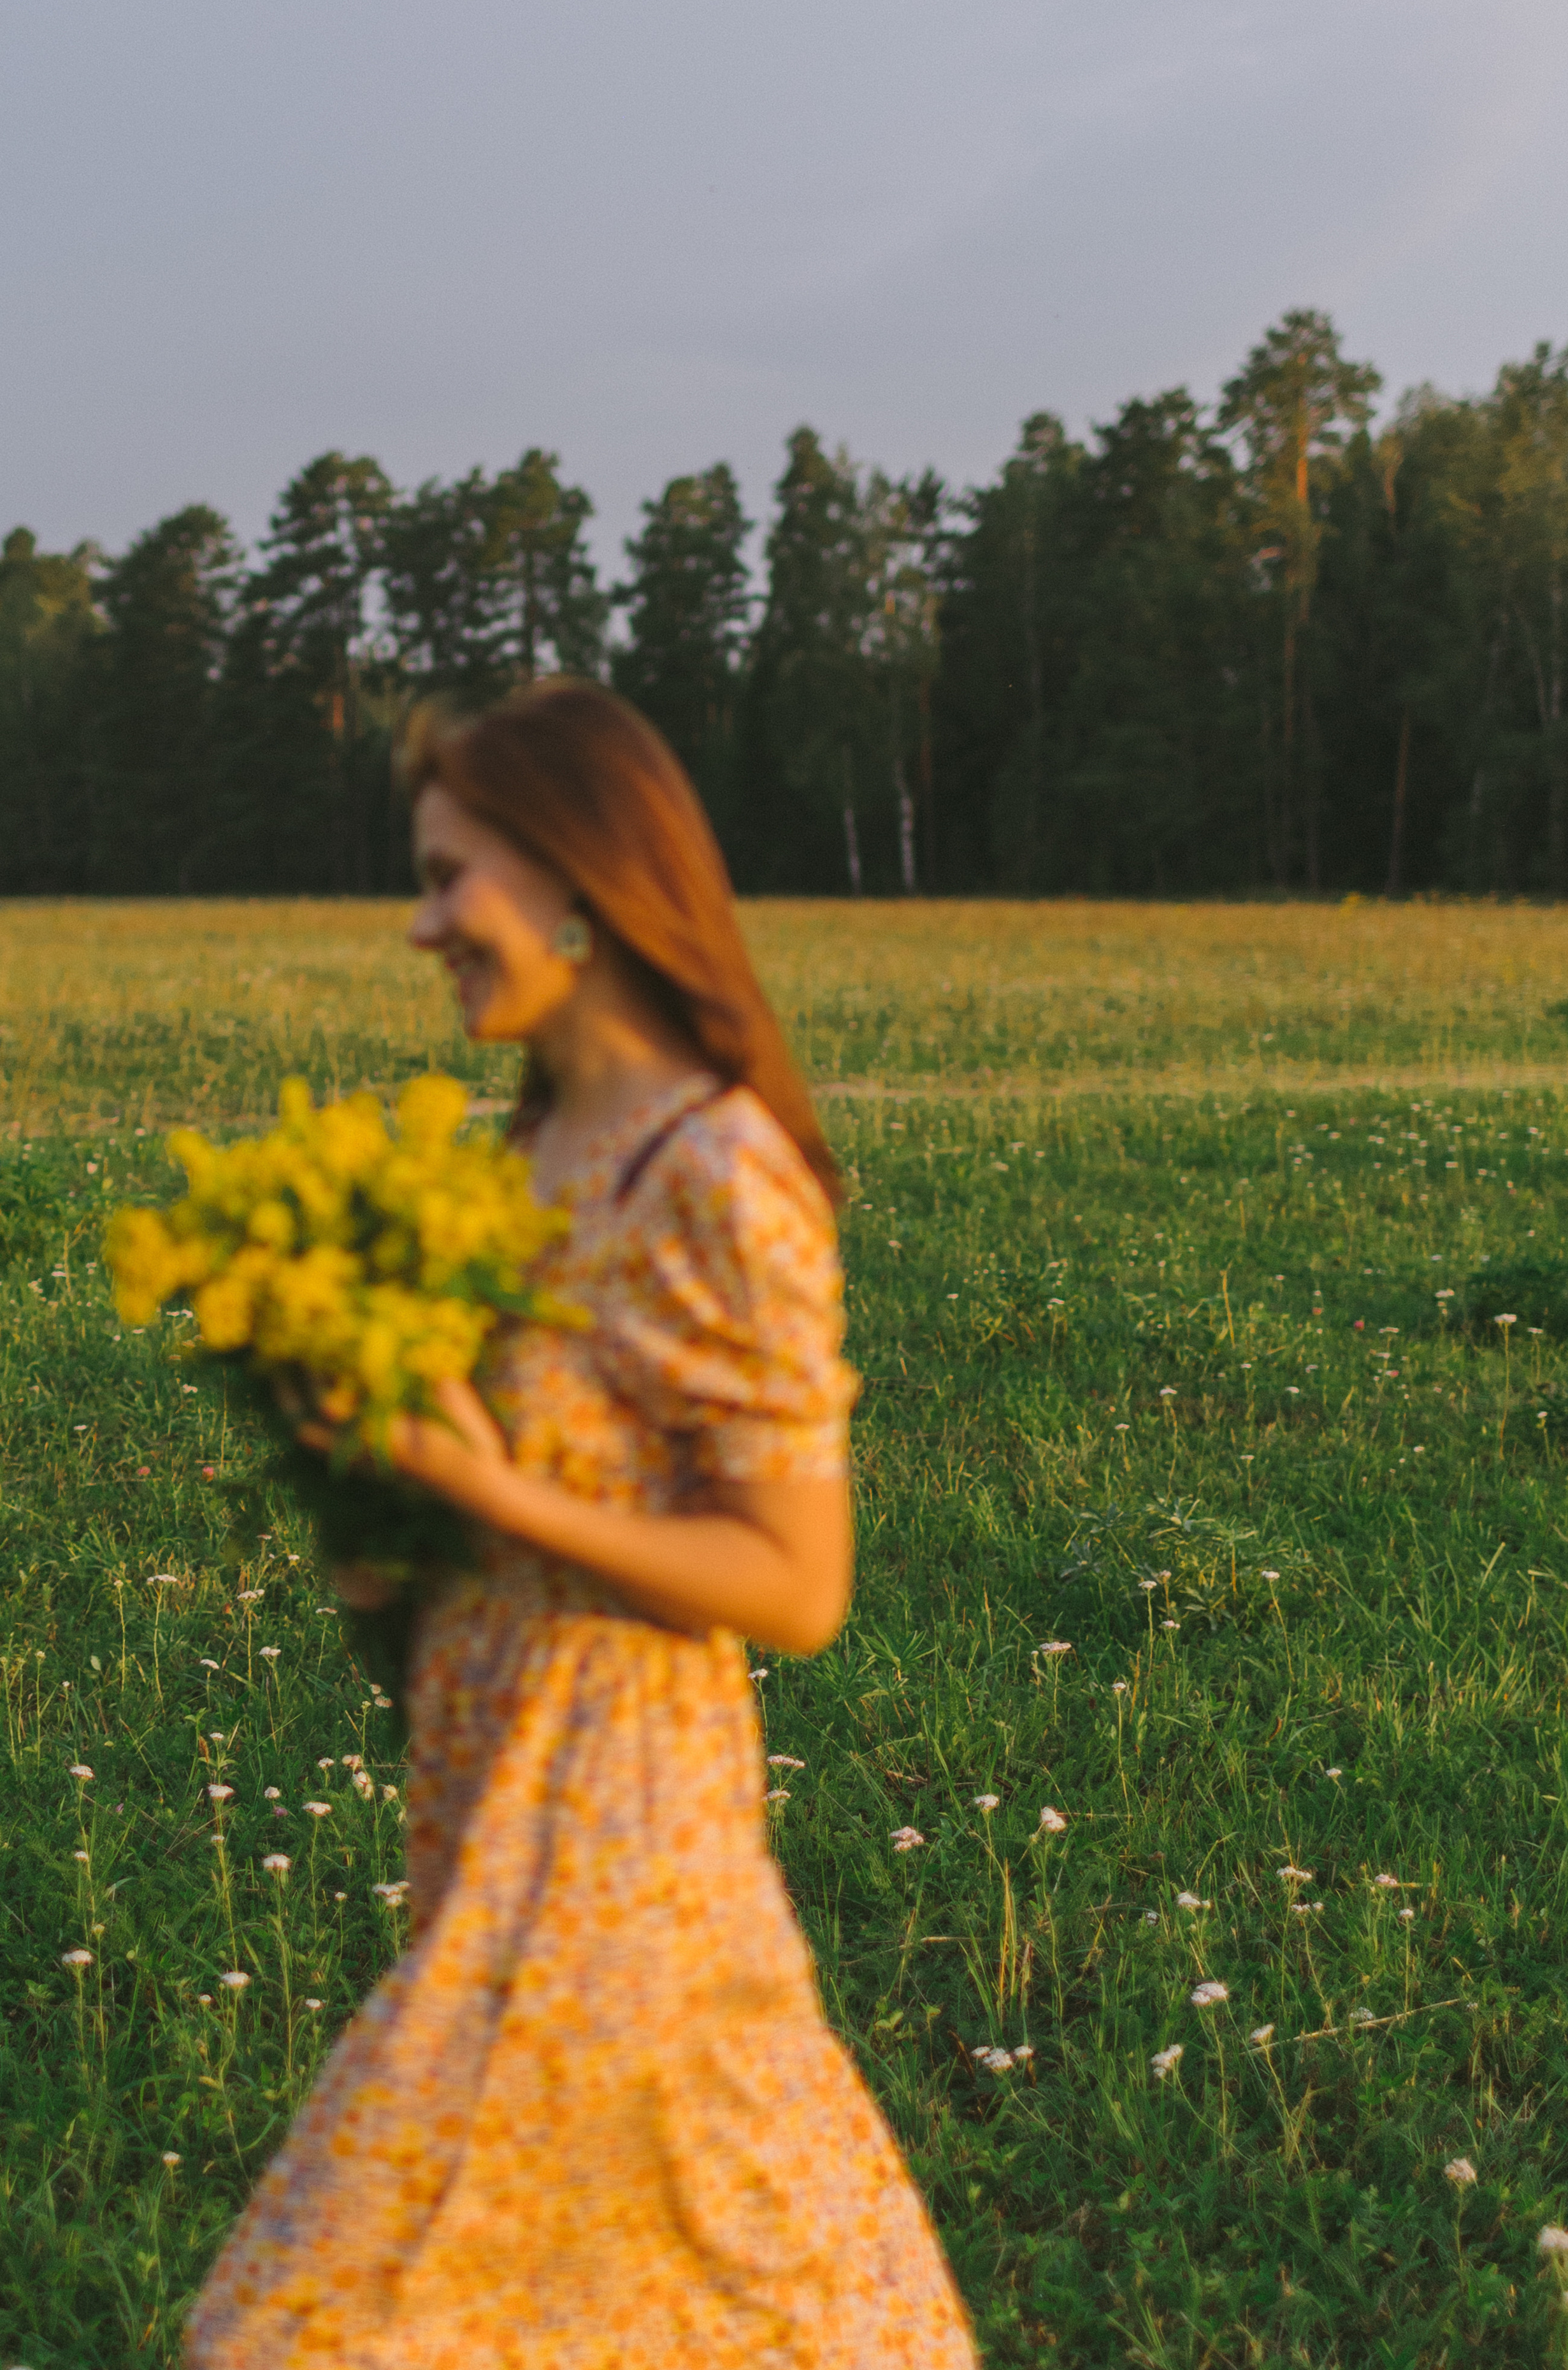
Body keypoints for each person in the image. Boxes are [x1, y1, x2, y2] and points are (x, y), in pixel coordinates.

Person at [185, 679, 977, 2369]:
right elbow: (536, 1492)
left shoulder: (711, 1166)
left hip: (622, 1846)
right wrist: (383, 1508)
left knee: (309, 2329)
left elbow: (799, 1580)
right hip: (494, 1808)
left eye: (449, 876)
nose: (421, 927)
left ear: (575, 881)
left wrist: (492, 1491)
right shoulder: (533, 1148)